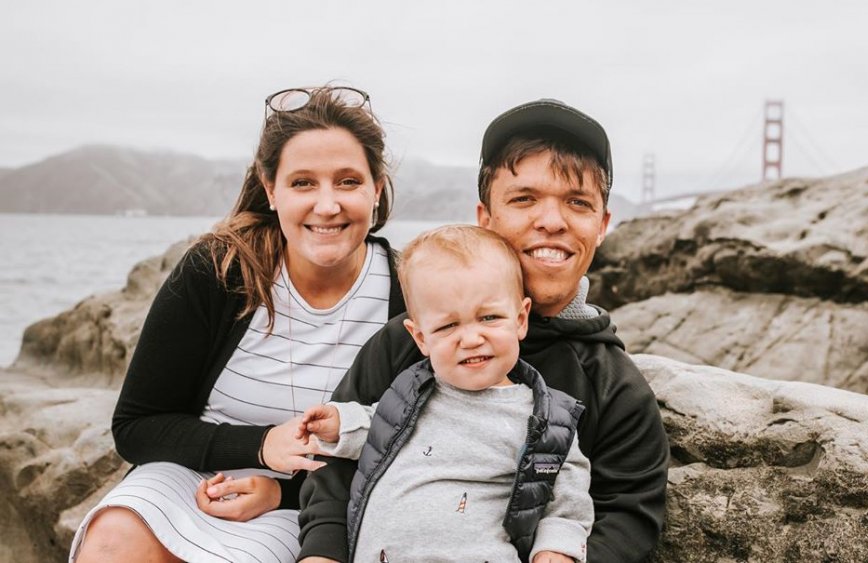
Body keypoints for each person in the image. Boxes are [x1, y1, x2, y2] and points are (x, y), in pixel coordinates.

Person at [298, 99, 670, 562]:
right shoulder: (407, 344)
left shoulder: (614, 386)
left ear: (601, 226)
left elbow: (628, 516)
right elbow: (336, 469)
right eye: (524, 198)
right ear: (485, 218)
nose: (552, 221)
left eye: (577, 202)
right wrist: (322, 553)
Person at [69, 84, 403, 563]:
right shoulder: (220, 271)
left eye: (348, 182)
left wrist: (281, 492)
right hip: (195, 473)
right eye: (303, 182)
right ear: (271, 190)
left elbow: (412, 447)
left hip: (317, 504)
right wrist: (261, 446)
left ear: (376, 189)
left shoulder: (405, 293)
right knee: (114, 541)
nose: (326, 205)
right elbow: (137, 426)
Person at [297, 225, 593, 562]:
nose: (470, 339)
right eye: (448, 326)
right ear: (421, 338)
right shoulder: (412, 396)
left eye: (489, 317)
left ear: (520, 319)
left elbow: (568, 505)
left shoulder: (544, 420)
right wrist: (338, 424)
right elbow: (374, 429)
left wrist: (555, 552)